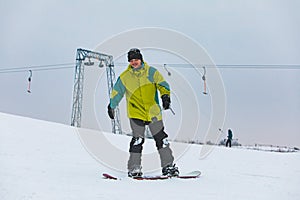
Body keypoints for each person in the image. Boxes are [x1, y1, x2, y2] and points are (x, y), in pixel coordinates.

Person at [107, 48, 179, 178]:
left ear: (141, 60)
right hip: (136, 112)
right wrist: (112, 106)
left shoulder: (151, 72)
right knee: (138, 139)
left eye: (136, 60)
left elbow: (162, 84)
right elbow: (117, 92)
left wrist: (165, 96)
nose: (134, 62)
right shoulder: (125, 77)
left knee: (161, 138)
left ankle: (168, 166)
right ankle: (134, 167)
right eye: (131, 60)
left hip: (153, 113)